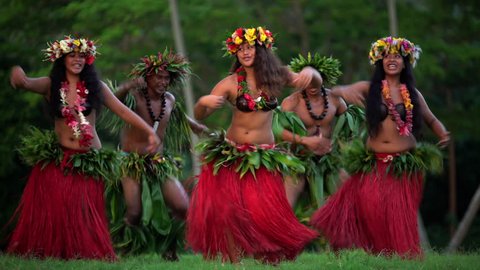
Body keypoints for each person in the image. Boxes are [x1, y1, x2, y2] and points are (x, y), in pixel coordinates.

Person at [6, 36, 160, 260]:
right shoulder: (51, 85)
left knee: (83, 210)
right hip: (60, 158)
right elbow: (25, 83)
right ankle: (55, 251)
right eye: (72, 55)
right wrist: (18, 75)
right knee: (56, 207)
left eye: (82, 56)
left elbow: (123, 112)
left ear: (88, 60)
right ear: (62, 59)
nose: (77, 59)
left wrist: (150, 131)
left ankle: (83, 252)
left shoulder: (97, 87)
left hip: (89, 159)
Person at [186, 26, 320, 265]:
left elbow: (306, 80)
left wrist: (311, 71)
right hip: (233, 154)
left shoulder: (277, 76)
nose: (245, 53)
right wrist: (202, 102)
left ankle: (269, 257)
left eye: (250, 48)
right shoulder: (229, 83)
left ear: (262, 50)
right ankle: (234, 261)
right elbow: (200, 115)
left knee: (264, 211)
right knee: (229, 211)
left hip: (263, 155)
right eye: (241, 49)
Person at [310, 36, 450, 258]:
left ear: (406, 62)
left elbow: (432, 120)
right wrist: (344, 92)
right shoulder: (369, 89)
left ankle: (403, 256)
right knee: (372, 210)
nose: (391, 60)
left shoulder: (413, 94)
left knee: (398, 214)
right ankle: (380, 253)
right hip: (374, 163)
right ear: (379, 61)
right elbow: (336, 91)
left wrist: (442, 132)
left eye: (396, 56)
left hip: (403, 164)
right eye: (386, 56)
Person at [106, 49, 208, 260]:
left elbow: (176, 113)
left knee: (182, 207)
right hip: (131, 161)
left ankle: (169, 250)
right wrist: (127, 86)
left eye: (166, 78)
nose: (163, 81)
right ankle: (122, 252)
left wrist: (195, 125)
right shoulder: (134, 97)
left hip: (159, 161)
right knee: (134, 211)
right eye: (158, 77)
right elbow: (114, 101)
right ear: (147, 78)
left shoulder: (169, 99)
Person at [278, 53, 352, 208]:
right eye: (307, 82)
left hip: (328, 160)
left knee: (351, 195)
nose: (311, 87)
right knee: (286, 204)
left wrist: (340, 145)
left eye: (315, 82)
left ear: (323, 79)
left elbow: (349, 126)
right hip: (299, 161)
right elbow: (279, 132)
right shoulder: (291, 102)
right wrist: (302, 141)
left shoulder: (335, 99)